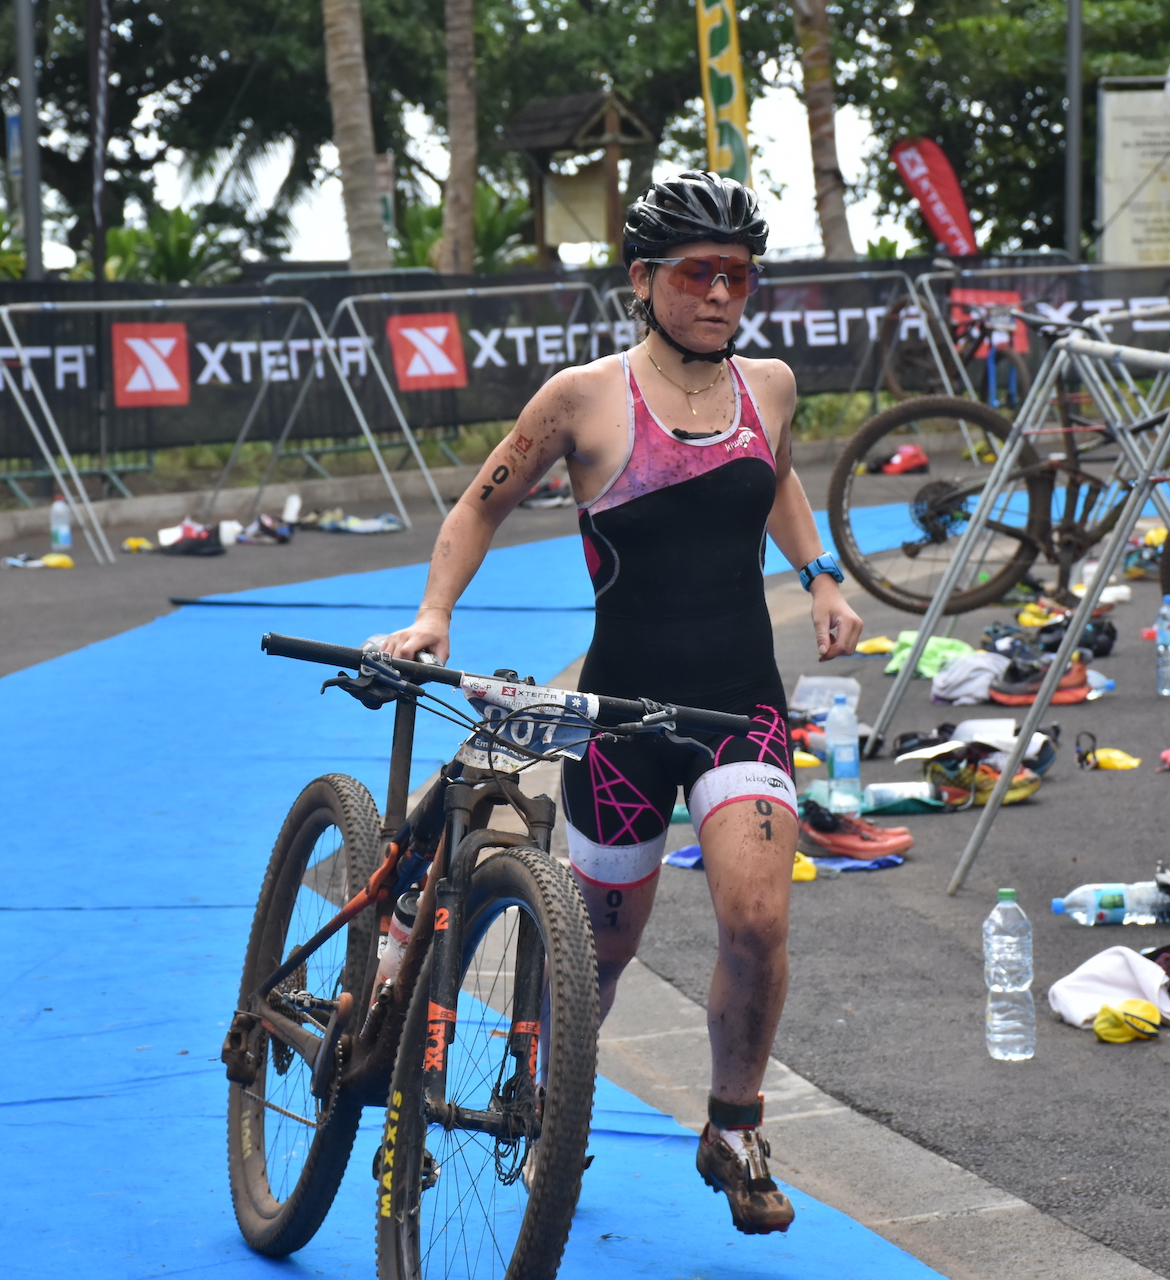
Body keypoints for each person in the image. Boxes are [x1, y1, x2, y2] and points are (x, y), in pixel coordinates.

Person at [381, 170, 865, 1236]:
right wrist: (433, 614)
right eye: (698, 273)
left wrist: (821, 575)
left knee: (758, 918)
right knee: (597, 956)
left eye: (739, 275)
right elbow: (482, 503)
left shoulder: (770, 386)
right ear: (643, 280)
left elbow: (778, 477)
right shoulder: (583, 399)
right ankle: (546, 1097)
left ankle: (734, 1125)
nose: (721, 294)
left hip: (740, 708)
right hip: (621, 723)